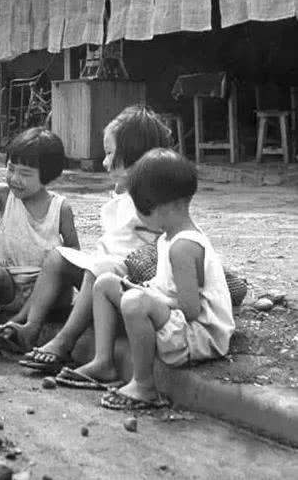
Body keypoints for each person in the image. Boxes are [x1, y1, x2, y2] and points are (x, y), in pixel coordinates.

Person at [0, 106, 171, 366]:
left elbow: (149, 254)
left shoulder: (155, 200)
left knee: (99, 268)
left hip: (132, 288)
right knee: (56, 257)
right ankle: (31, 326)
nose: (105, 162)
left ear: (133, 160)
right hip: (103, 275)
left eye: (109, 154)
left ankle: (64, 341)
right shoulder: (124, 195)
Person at [84, 149, 235, 409]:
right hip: (177, 323)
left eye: (140, 208)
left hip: (199, 335)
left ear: (158, 207)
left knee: (133, 302)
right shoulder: (168, 237)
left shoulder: (183, 246)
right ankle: (103, 362)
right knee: (105, 283)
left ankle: (144, 385)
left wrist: (147, 297)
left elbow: (190, 309)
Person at [0, 128, 79, 346]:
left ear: (47, 175)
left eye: (26, 174)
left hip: (46, 293)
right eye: (11, 169)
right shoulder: (4, 194)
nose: (15, 179)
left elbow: (74, 254)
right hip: (9, 289)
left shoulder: (60, 208)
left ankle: (32, 324)